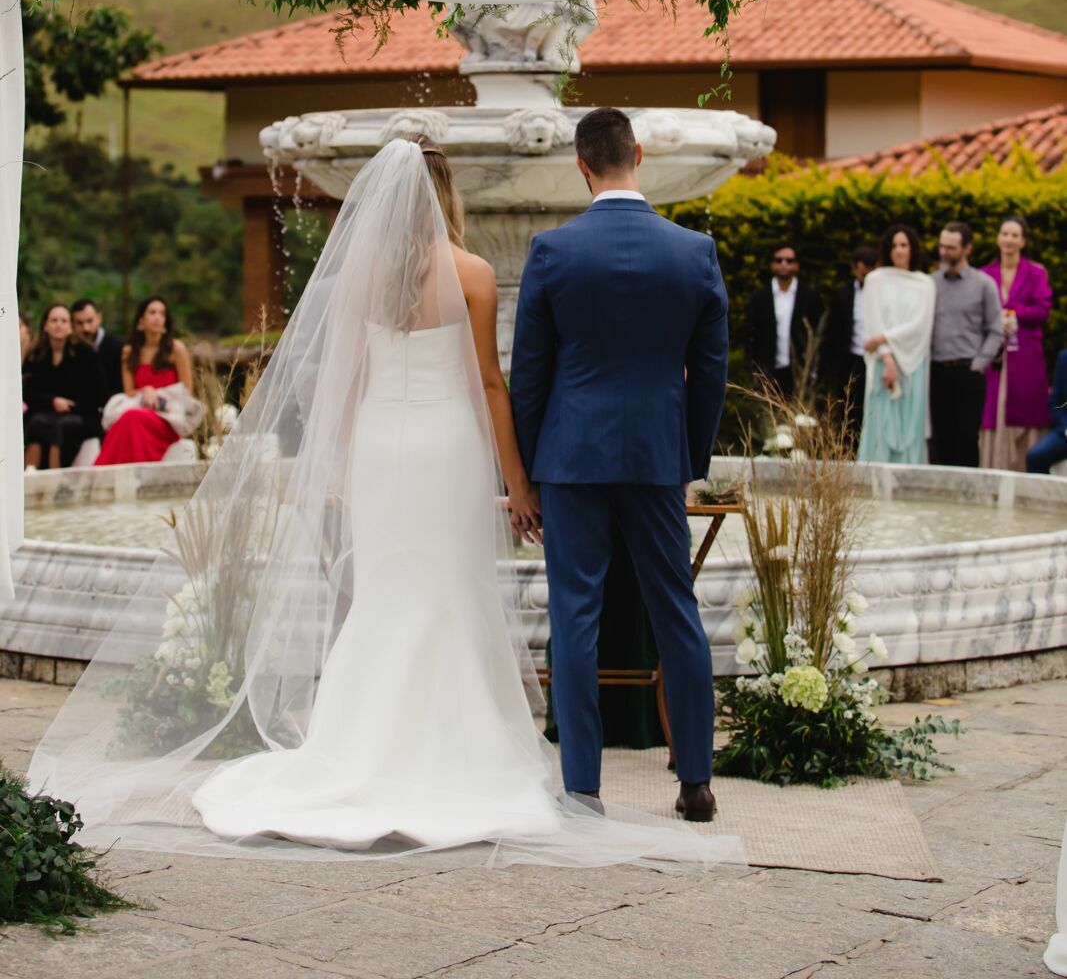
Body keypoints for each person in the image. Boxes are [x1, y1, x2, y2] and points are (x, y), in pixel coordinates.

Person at [29, 137, 740, 871]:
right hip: (448, 448)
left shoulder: (360, 274)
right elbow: (494, 385)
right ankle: (589, 766)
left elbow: (346, 378)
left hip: (377, 445)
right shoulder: (473, 272)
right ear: (446, 199)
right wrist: (517, 478)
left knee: (383, 593)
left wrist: (333, 466)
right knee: (452, 591)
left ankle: (365, 748)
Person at [510, 107, 730, 823]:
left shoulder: (551, 251)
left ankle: (582, 788)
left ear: (580, 165)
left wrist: (528, 474)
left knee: (575, 618)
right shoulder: (693, 251)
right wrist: (687, 458)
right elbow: (712, 370)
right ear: (638, 154)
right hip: (656, 459)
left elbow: (530, 377)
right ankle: (694, 782)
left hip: (571, 458)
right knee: (677, 612)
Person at [979, 217, 1053, 473]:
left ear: (1023, 241)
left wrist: (1012, 312)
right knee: (991, 409)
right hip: (994, 355)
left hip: (1026, 353)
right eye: (1005, 234)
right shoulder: (985, 274)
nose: (1009, 240)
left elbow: (1043, 310)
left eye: (1014, 235)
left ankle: (1023, 468)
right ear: (998, 238)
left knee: (1026, 408)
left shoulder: (1036, 272)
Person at [857, 226, 935, 466]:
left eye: (904, 245)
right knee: (881, 423)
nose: (899, 250)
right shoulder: (875, 280)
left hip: (913, 363)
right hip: (884, 363)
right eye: (894, 245)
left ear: (912, 249)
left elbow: (921, 324)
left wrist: (882, 338)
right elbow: (873, 320)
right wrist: (887, 358)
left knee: (910, 425)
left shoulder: (925, 283)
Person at [928, 221, 1002, 469]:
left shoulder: (984, 284)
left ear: (967, 248)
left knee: (967, 438)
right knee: (939, 439)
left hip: (968, 373)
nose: (944, 252)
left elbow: (996, 330)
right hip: (936, 371)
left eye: (951, 247)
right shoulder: (930, 284)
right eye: (941, 246)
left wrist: (979, 364)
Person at [94, 296, 194, 467]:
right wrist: (145, 391)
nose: (157, 317)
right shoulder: (129, 351)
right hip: (141, 408)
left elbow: (187, 390)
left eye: (162, 314)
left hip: (167, 416)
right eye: (152, 312)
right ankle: (105, 472)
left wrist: (160, 396)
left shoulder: (176, 349)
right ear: (141, 320)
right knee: (127, 418)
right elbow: (129, 390)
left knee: (132, 417)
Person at [22, 304, 103, 469]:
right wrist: (52, 401)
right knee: (37, 423)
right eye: (54, 320)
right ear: (45, 325)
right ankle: (28, 477)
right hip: (46, 412)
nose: (59, 324)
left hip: (82, 415)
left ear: (70, 327)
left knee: (56, 427)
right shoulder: (36, 355)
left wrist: (69, 405)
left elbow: (98, 393)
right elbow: (27, 392)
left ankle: (55, 474)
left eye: (64, 321)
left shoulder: (86, 355)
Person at [745, 243, 822, 396]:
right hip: (768, 370)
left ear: (797, 265)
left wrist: (813, 369)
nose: (784, 264)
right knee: (769, 418)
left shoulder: (809, 296)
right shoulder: (760, 297)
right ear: (772, 265)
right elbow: (751, 335)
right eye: (779, 260)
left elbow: (817, 334)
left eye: (789, 260)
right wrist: (754, 369)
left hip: (800, 371)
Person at [825, 245, 878, 435]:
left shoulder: (882, 294)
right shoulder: (843, 294)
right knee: (850, 412)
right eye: (863, 268)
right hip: (851, 361)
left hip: (877, 359)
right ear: (855, 268)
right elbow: (833, 332)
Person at [71, 298, 125, 403]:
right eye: (79, 323)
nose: (85, 328)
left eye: (90, 321)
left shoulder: (117, 347)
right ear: (72, 324)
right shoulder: (71, 349)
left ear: (99, 318)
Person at [1027, 350, 1067, 474]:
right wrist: (1065, 428)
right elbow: (1055, 402)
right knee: (1035, 457)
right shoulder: (1064, 358)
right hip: (1065, 432)